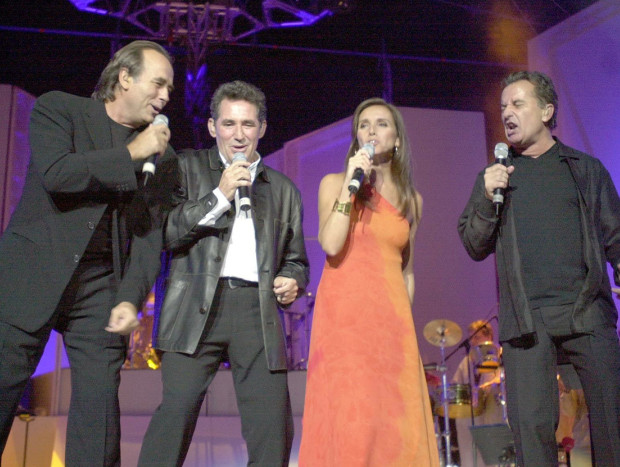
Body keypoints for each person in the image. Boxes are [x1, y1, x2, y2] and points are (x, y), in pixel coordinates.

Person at [0, 40, 175, 465]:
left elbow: (150, 237)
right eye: (158, 83)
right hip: (32, 273)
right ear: (125, 78)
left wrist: (130, 296)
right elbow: (59, 173)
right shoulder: (60, 110)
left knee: (98, 408)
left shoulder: (163, 159)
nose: (166, 96)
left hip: (100, 288)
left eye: (170, 88)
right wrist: (133, 153)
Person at [137, 80, 309, 466]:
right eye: (229, 124)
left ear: (262, 129)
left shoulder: (283, 190)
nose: (238, 134)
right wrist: (220, 195)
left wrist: (292, 279)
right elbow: (166, 232)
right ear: (213, 127)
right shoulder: (183, 167)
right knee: (174, 419)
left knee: (273, 431)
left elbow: (297, 259)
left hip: (257, 310)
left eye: (248, 124)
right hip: (195, 304)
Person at [458, 70, 620, 466]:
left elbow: (616, 235)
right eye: (503, 107)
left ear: (547, 110)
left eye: (518, 104)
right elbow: (473, 245)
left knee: (612, 422)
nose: (507, 113)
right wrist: (485, 195)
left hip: (586, 310)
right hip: (527, 322)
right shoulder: (494, 178)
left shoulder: (584, 169)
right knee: (531, 430)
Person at [299, 97, 439, 466]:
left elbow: (407, 272)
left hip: (392, 327)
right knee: (352, 419)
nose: (371, 131)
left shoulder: (413, 201)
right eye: (364, 125)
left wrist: (405, 336)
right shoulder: (334, 183)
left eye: (381, 124)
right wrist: (350, 185)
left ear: (397, 140)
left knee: (395, 424)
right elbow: (330, 244)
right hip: (344, 323)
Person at [452, 320, 505, 467]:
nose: (473, 342)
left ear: (489, 337)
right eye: (471, 338)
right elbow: (457, 384)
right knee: (469, 455)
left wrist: (486, 387)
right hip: (471, 416)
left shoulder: (500, 354)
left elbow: (504, 379)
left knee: (491, 457)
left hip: (492, 412)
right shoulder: (467, 361)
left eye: (477, 337)